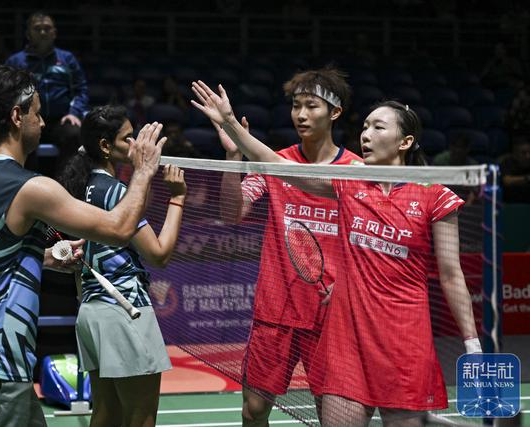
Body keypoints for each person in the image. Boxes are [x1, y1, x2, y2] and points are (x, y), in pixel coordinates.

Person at [192, 82, 481, 426]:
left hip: (401, 340)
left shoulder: (433, 194)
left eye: (378, 128)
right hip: (343, 338)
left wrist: (472, 343)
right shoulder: (349, 181)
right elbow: (278, 167)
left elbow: (451, 274)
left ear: (405, 142)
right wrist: (231, 126)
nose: (366, 135)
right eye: (365, 127)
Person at [0, 65, 164, 427]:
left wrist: (43, 257)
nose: (43, 124)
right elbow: (120, 228)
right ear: (16, 116)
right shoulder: (27, 188)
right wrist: (144, 171)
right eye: (37, 113)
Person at [212, 67, 362, 427]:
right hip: (275, 309)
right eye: (296, 106)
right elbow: (232, 213)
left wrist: (348, 287)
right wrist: (233, 158)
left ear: (335, 112)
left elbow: (367, 245)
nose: (301, 115)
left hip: (329, 313)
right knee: (253, 411)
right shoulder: (273, 162)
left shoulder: (357, 169)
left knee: (333, 415)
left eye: (312, 106)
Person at [56, 105, 186, 427]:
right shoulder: (114, 191)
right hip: (124, 310)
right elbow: (159, 254)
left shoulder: (84, 186)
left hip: (91, 312)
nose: (135, 144)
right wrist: (178, 197)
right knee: (140, 420)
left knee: (106, 415)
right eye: (128, 138)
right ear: (105, 146)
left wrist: (144, 176)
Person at [6, 11, 89, 168]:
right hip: (28, 119)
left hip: (61, 119)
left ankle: (67, 181)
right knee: (21, 135)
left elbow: (80, 90)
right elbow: (8, 93)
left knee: (73, 134)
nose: (43, 32)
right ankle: (26, 180)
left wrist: (74, 112)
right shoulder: (15, 61)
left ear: (54, 33)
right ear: (28, 34)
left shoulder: (67, 59)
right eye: (37, 29)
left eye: (47, 28)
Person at [499, 135, 530, 203]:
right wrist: (527, 178)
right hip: (511, 202)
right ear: (515, 154)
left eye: (529, 152)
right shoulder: (507, 162)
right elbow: (507, 181)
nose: (528, 156)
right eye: (523, 153)